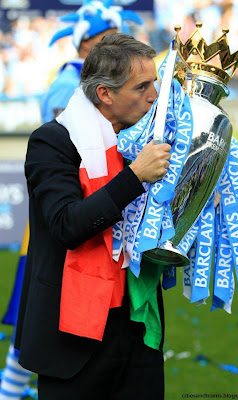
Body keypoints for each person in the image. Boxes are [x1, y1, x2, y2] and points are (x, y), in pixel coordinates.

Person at [15, 33, 171, 400]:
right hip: (73, 336)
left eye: (155, 84)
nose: (154, 96)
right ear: (105, 93)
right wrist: (133, 177)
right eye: (143, 87)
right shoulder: (52, 141)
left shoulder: (144, 138)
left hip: (135, 325)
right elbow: (68, 225)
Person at [0, 3, 141, 399]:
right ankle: (9, 391)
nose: (116, 46)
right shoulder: (67, 92)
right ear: (85, 47)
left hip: (108, 257)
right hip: (70, 241)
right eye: (106, 40)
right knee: (38, 324)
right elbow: (69, 199)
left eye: (119, 37)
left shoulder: (115, 98)